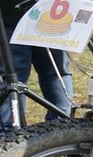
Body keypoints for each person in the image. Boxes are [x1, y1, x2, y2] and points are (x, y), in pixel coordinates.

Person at [1, 1, 73, 129]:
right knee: (13, 81)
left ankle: (62, 128)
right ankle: (12, 133)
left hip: (51, 14)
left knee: (56, 74)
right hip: (11, 18)